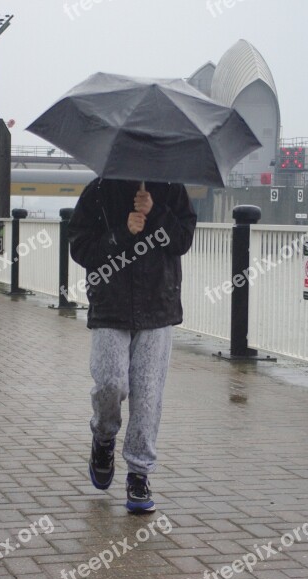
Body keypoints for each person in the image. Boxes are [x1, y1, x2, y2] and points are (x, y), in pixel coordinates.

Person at [68, 177, 197, 512]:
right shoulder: (98, 189)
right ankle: (104, 434)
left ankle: (139, 474)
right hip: (110, 306)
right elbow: (81, 248)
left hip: (158, 307)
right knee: (110, 383)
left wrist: (155, 213)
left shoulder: (173, 190)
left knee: (148, 394)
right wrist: (123, 232)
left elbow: (182, 240)